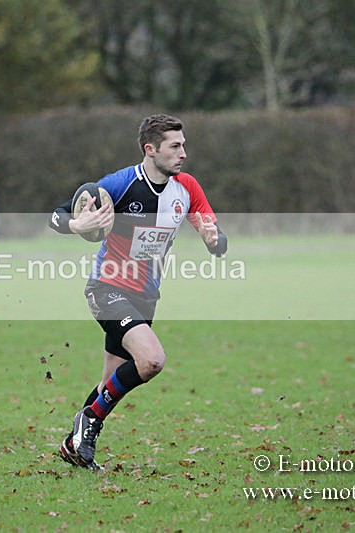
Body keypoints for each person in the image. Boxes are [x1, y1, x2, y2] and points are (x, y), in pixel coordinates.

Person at [48, 114, 228, 470]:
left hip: (146, 295)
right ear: (151, 149)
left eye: (184, 145)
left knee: (108, 382)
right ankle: (88, 424)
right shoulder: (120, 184)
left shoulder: (187, 188)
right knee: (151, 360)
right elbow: (57, 216)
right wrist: (75, 223)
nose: (183, 153)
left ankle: (75, 445)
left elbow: (216, 239)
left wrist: (214, 240)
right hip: (108, 288)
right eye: (175, 146)